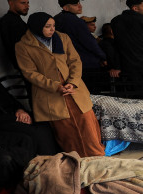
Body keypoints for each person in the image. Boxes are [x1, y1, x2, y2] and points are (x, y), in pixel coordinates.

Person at [15, 12, 104, 157]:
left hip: (74, 90)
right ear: (37, 27)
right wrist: (55, 86)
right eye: (47, 26)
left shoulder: (62, 38)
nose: (52, 29)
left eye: (53, 26)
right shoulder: (23, 46)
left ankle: (97, 157)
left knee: (88, 125)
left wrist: (73, 82)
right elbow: (30, 73)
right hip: (51, 94)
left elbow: (75, 61)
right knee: (66, 132)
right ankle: (76, 161)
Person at [0, 57, 58, 155]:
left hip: (13, 115)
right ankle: (48, 159)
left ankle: (56, 156)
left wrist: (21, 111)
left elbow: (10, 99)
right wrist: (15, 118)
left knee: (43, 122)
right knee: (33, 131)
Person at [52, 0, 106, 80]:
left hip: (65, 64)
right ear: (66, 8)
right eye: (75, 5)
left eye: (79, 3)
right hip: (85, 63)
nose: (80, 6)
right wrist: (103, 57)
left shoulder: (55, 19)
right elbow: (90, 43)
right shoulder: (76, 22)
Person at [0, 0, 29, 69]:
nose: (27, 6)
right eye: (23, 3)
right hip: (24, 63)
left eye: (27, 3)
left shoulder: (15, 19)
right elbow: (16, 46)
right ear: (11, 3)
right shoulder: (8, 21)